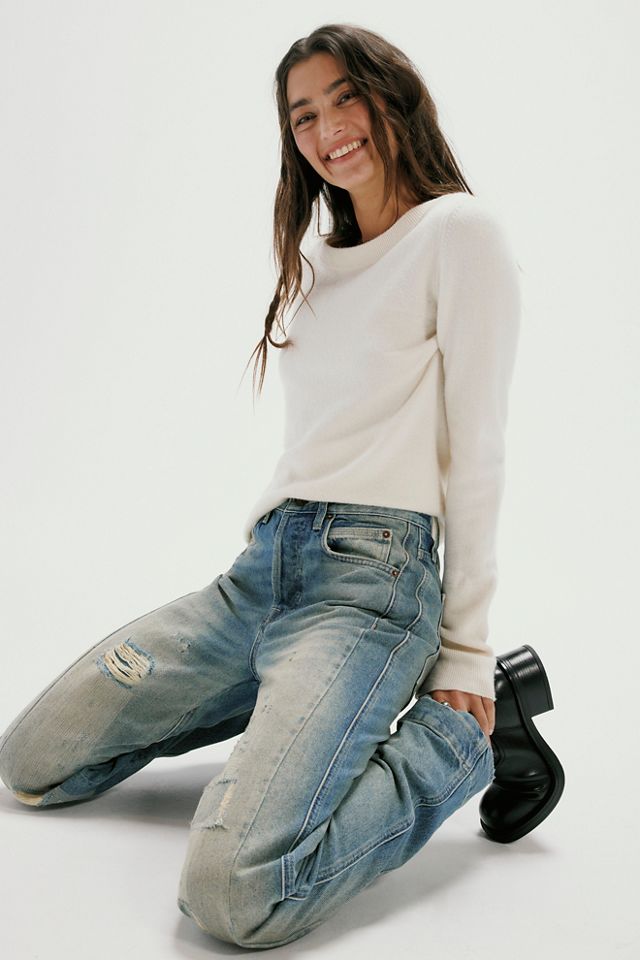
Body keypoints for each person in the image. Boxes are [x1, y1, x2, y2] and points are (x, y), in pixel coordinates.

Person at [0, 22, 565, 950]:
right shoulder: (319, 265)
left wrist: (464, 652)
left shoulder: (458, 234)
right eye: (303, 116)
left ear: (393, 96)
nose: (327, 128)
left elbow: (480, 452)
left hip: (370, 587)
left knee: (231, 896)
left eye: (346, 97)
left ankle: (468, 735)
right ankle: (302, 721)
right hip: (262, 577)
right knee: (32, 761)